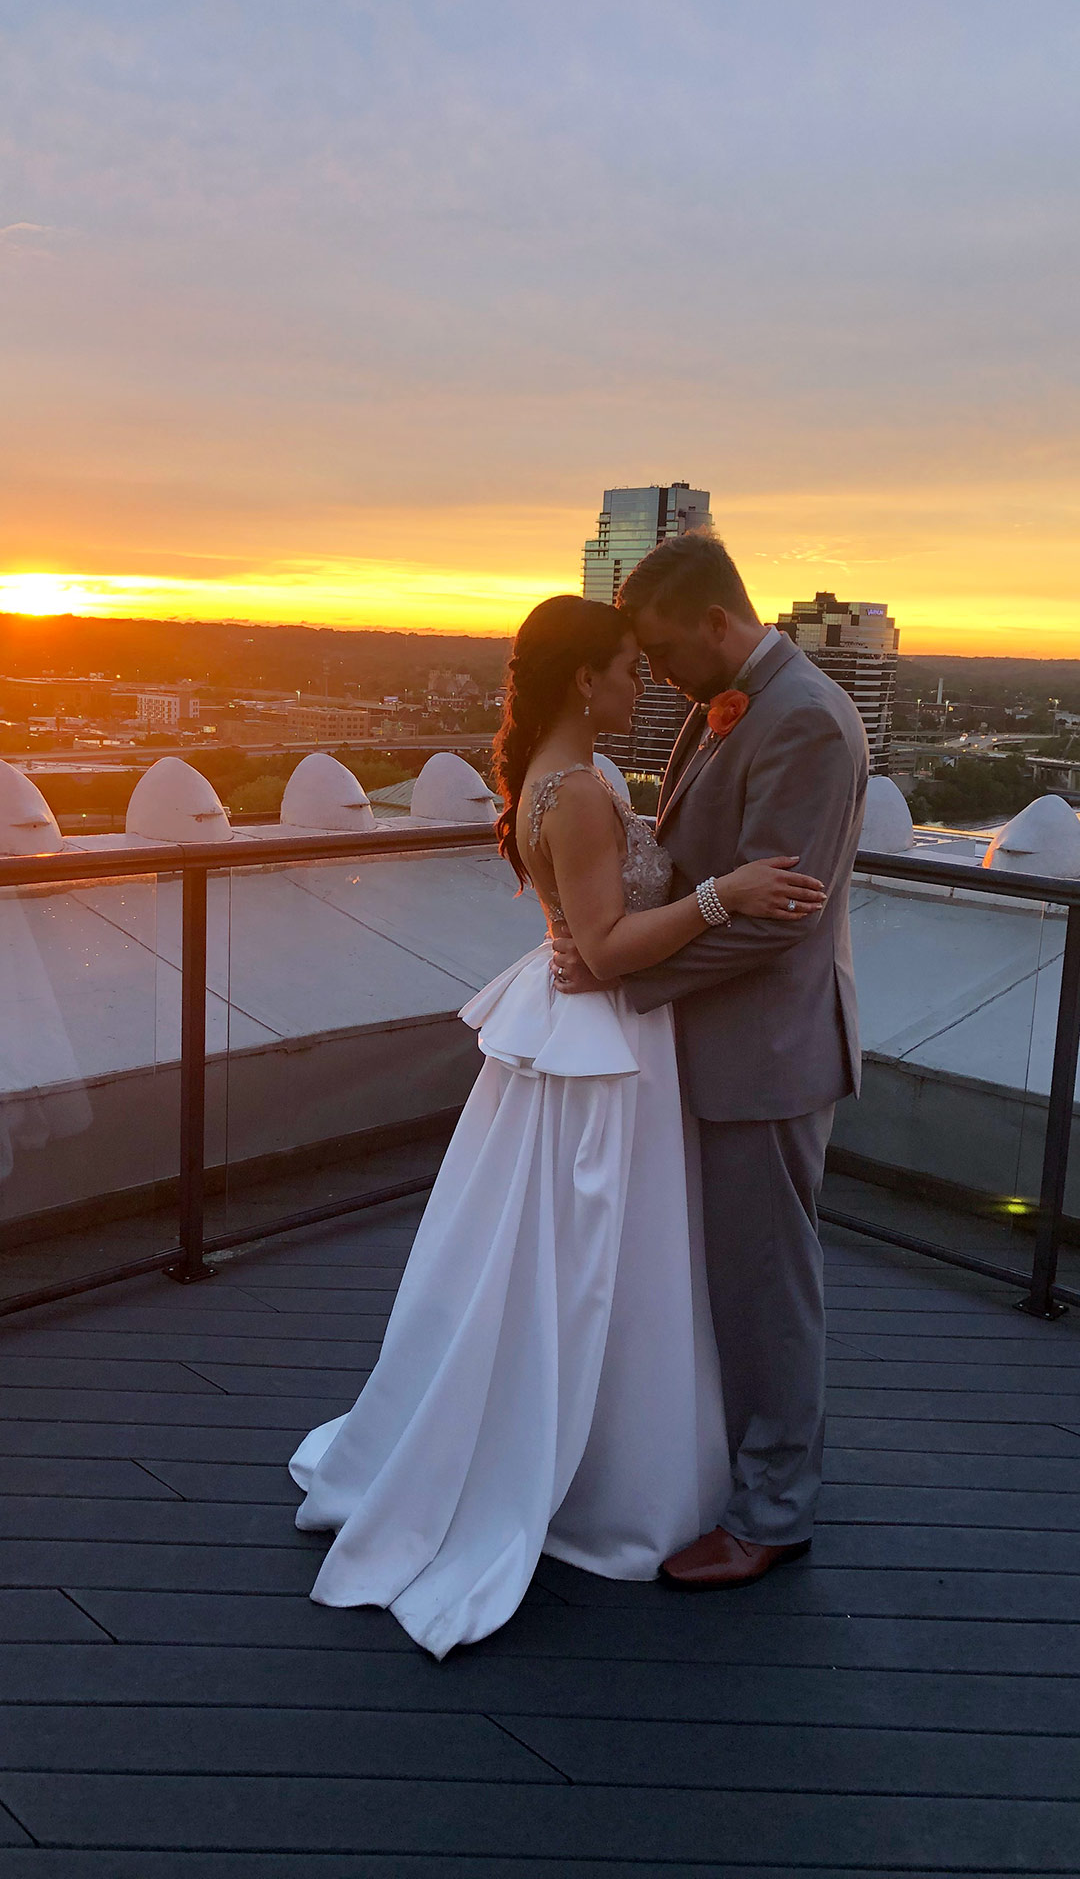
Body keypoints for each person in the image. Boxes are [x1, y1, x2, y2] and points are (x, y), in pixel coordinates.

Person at [289, 593, 825, 1657]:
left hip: (580, 1029)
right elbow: (612, 946)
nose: (644, 687)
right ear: (585, 679)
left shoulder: (564, 776)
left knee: (553, 1254)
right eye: (630, 668)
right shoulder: (578, 791)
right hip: (603, 1041)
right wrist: (728, 894)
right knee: (598, 1259)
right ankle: (605, 1475)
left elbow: (592, 935)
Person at [553, 534, 869, 1588]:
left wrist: (617, 973)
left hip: (767, 1055)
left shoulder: (811, 720)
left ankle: (774, 1513)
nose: (655, 676)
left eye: (660, 650)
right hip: (708, 1040)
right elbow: (702, 871)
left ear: (716, 625)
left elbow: (782, 920)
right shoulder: (722, 701)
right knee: (719, 1280)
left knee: (766, 1290)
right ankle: (722, 1473)